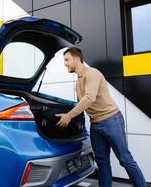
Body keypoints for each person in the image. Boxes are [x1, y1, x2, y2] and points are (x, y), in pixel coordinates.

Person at [56, 47, 146, 187]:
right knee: (102, 163)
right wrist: (64, 113)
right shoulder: (78, 82)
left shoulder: (92, 73)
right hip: (96, 125)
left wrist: (69, 115)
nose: (65, 63)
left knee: (125, 159)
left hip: (111, 120)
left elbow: (89, 98)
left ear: (77, 59)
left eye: (67, 59)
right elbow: (82, 104)